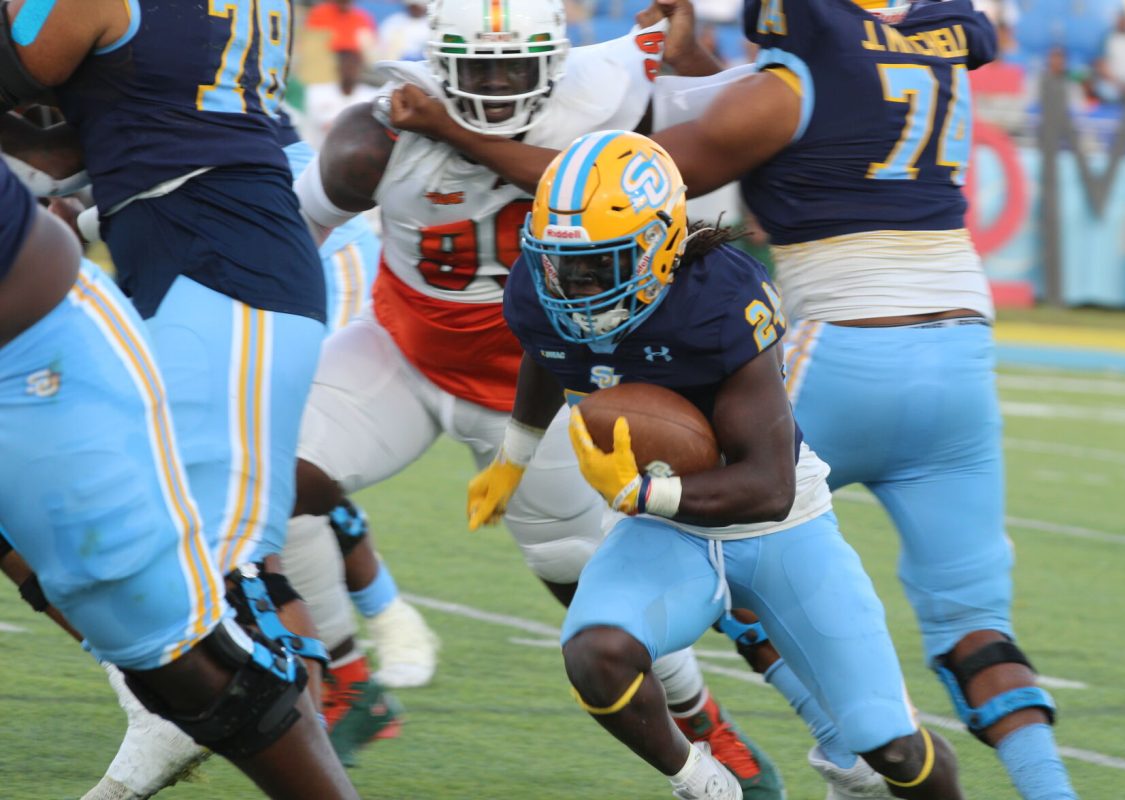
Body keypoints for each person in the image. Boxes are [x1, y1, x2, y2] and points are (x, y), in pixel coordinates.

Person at [381, 2, 1079, 798]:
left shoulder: (734, 236)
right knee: (975, 632)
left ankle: (844, 746)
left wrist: (446, 124)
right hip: (960, 345)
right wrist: (516, 455)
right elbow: (784, 128)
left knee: (757, 523)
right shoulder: (918, 53)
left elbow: (631, 181)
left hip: (842, 345)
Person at [287, 0, 786, 794]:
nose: (492, 85)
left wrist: (683, 41)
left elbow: (680, 57)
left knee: (583, 579)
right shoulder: (372, 136)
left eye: (511, 68)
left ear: (552, 60)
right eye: (474, 69)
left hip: (549, 374)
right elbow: (293, 232)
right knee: (274, 478)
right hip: (405, 348)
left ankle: (703, 722)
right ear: (438, 62)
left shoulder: (605, 91)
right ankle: (347, 676)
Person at [476, 128, 965, 800]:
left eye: (600, 264)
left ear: (659, 247)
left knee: (892, 746)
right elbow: (546, 349)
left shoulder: (718, 299)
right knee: (596, 654)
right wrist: (514, 457)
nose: (573, 285)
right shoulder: (541, 292)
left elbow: (768, 486)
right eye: (563, 263)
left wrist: (644, 497)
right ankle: (705, 783)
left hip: (778, 527)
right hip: (667, 532)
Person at [2, 0, 344, 793]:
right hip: (193, 252)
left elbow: (26, 66)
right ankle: (161, 703)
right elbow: (99, 131)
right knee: (148, 550)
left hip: (222, 268)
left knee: (230, 584)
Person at [301, 49, 378, 151]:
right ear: (338, 67)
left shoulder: (372, 96)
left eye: (353, 66)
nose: (349, 70)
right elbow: (311, 128)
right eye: (346, 65)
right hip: (319, 156)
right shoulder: (317, 93)